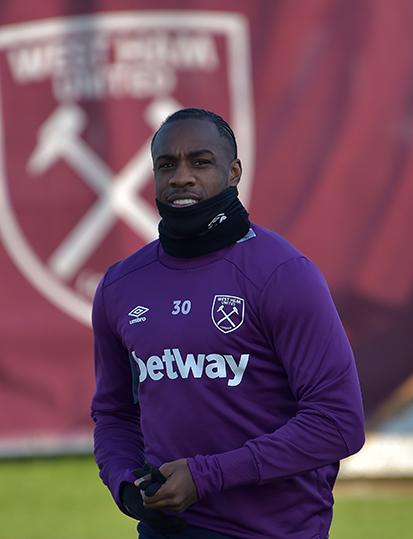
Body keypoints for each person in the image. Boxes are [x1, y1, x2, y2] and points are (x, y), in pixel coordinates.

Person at [91, 108, 365, 539]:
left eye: (200, 162)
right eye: (167, 165)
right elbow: (114, 413)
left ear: (234, 172)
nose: (181, 177)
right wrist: (127, 485)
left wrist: (207, 476)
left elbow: (338, 423)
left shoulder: (283, 274)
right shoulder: (120, 286)